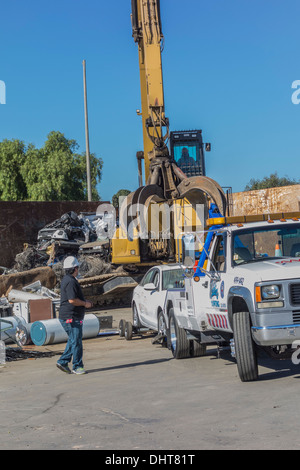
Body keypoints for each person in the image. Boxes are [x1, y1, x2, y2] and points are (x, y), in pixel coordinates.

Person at [56, 256, 93, 375]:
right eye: (77, 267)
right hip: (71, 317)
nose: (78, 270)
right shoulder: (70, 281)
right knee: (76, 341)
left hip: (71, 317)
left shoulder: (68, 279)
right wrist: (85, 304)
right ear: (74, 268)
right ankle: (77, 366)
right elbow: (72, 300)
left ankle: (63, 362)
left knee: (73, 340)